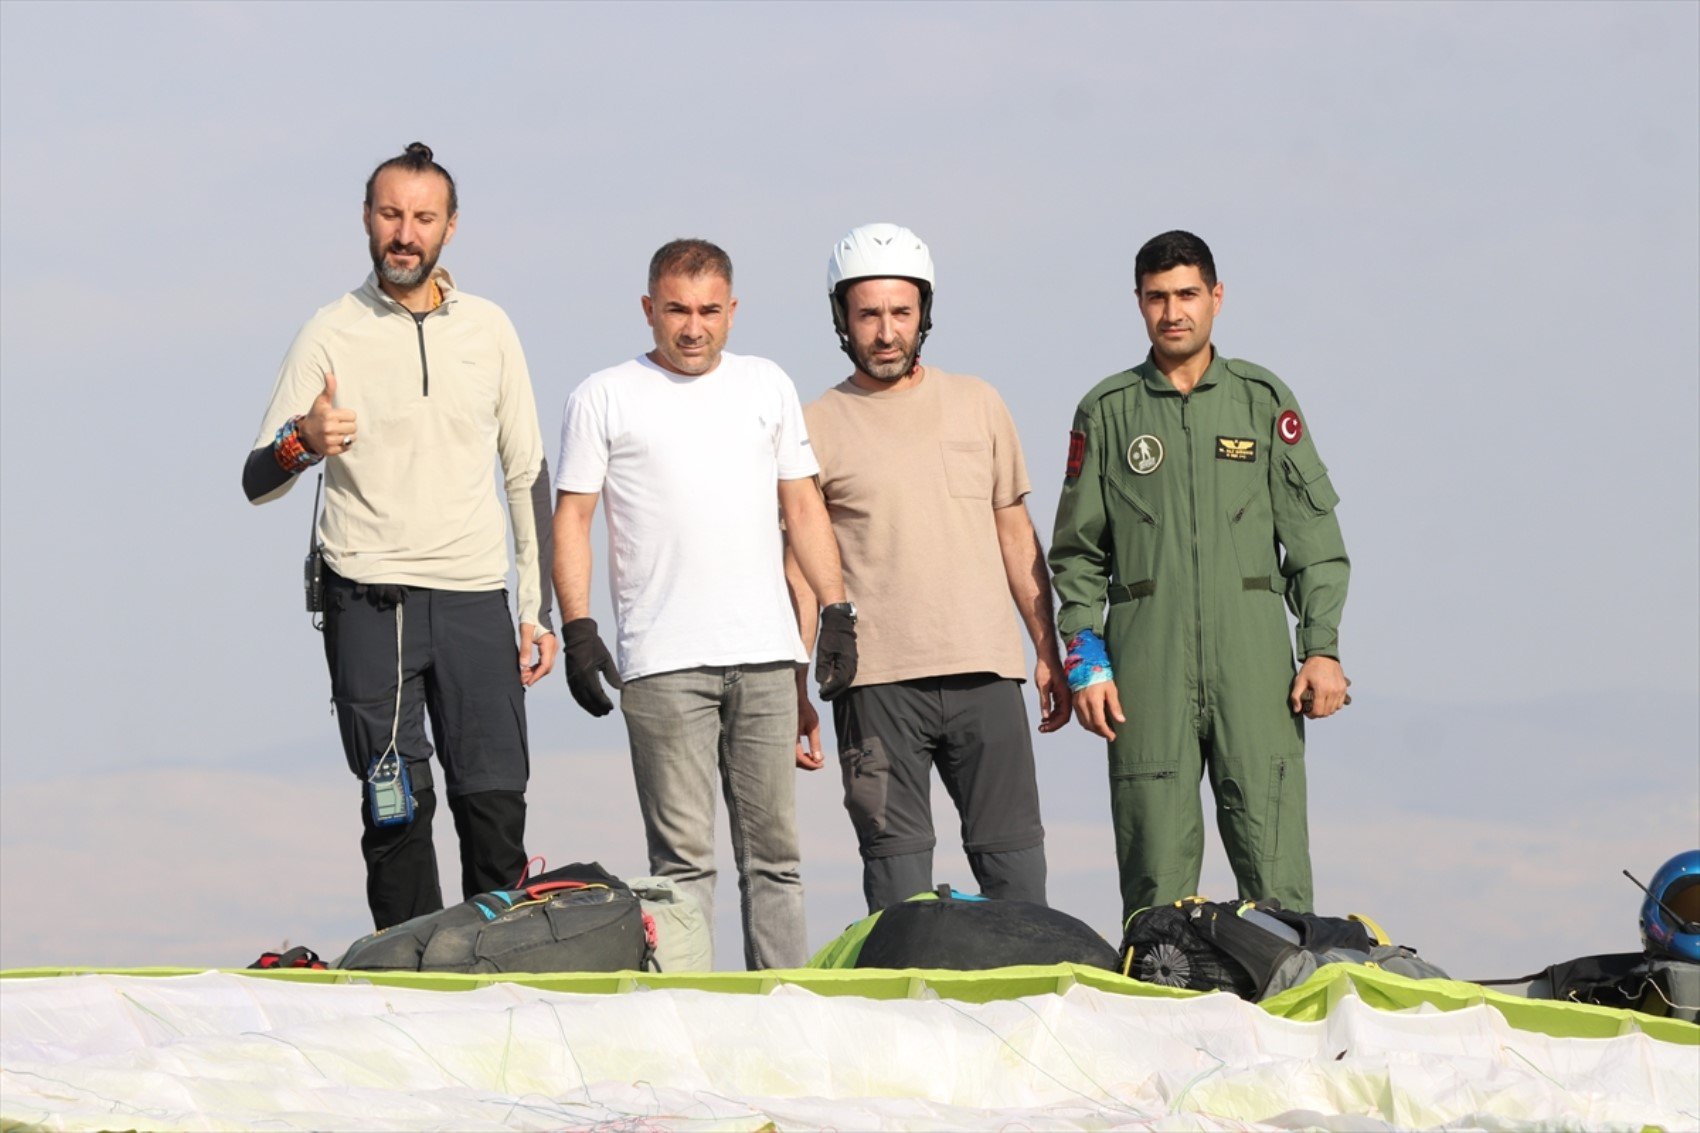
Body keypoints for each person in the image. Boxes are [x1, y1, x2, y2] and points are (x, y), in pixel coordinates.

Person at [243, 143, 556, 930]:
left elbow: (527, 474)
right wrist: (303, 440)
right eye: (391, 215)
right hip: (368, 600)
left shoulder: (489, 328)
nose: (405, 233)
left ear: (451, 226)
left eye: (423, 217)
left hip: (474, 599)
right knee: (395, 814)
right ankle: (410, 993)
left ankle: (500, 983)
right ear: (366, 220)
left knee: (494, 805)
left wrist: (536, 609)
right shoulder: (329, 331)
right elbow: (257, 478)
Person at [552, 238, 854, 970]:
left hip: (763, 654)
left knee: (776, 858)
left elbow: (804, 509)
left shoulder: (766, 384)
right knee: (682, 866)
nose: (694, 327)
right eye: (678, 310)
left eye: (710, 310)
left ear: (733, 310)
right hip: (661, 663)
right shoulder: (604, 394)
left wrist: (839, 609)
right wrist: (579, 628)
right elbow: (572, 519)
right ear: (649, 309)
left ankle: (784, 1009)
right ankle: (689, 1020)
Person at [1048, 230, 1350, 922]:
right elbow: (1077, 554)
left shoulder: (1261, 399)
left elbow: (1314, 539)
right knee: (1155, 882)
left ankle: (1288, 1018)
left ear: (1216, 297)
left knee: (1277, 879)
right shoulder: (1109, 410)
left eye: (1187, 294)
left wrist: (1323, 647)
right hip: (1147, 668)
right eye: (1157, 297)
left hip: (1255, 666)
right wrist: (1085, 656)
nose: (1172, 311)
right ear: (1138, 303)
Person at [790, 223, 1070, 914]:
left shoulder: (979, 402)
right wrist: (798, 680)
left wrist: (1046, 648)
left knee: (1017, 878)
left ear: (924, 314)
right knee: (897, 889)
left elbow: (1014, 529)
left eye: (901, 313)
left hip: (986, 670)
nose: (886, 332)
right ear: (842, 319)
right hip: (875, 685)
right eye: (868, 314)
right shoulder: (813, 423)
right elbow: (799, 564)